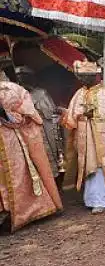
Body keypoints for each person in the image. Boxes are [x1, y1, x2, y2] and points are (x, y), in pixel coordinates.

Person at [62, 60, 105, 214]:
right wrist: (81, 116)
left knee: (102, 167)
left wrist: (101, 118)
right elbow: (70, 119)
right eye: (82, 77)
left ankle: (102, 199)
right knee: (89, 167)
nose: (84, 80)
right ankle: (94, 198)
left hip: (104, 138)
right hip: (85, 138)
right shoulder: (78, 94)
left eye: (87, 76)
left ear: (96, 76)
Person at [0, 81, 63, 231]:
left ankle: (21, 212)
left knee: (18, 177)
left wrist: (4, 113)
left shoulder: (11, 89)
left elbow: (29, 116)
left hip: (10, 142)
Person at [15, 66, 64, 181]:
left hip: (44, 130)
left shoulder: (41, 93)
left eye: (25, 77)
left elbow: (50, 113)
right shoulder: (15, 95)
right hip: (24, 131)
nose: (22, 80)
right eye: (20, 78)